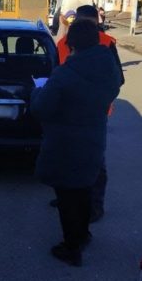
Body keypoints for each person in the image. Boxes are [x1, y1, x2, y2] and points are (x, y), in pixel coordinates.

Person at [30, 20, 121, 266]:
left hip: (66, 145)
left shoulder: (66, 73)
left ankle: (72, 248)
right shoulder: (108, 67)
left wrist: (36, 91)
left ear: (71, 44)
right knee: (83, 190)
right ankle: (84, 235)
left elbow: (41, 108)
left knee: (67, 197)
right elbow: (112, 90)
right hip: (93, 138)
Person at [53, 5, 125, 223]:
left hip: (75, 111)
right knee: (83, 160)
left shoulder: (97, 42)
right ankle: (76, 200)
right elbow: (118, 80)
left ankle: (93, 205)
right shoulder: (102, 42)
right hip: (86, 111)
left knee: (88, 162)